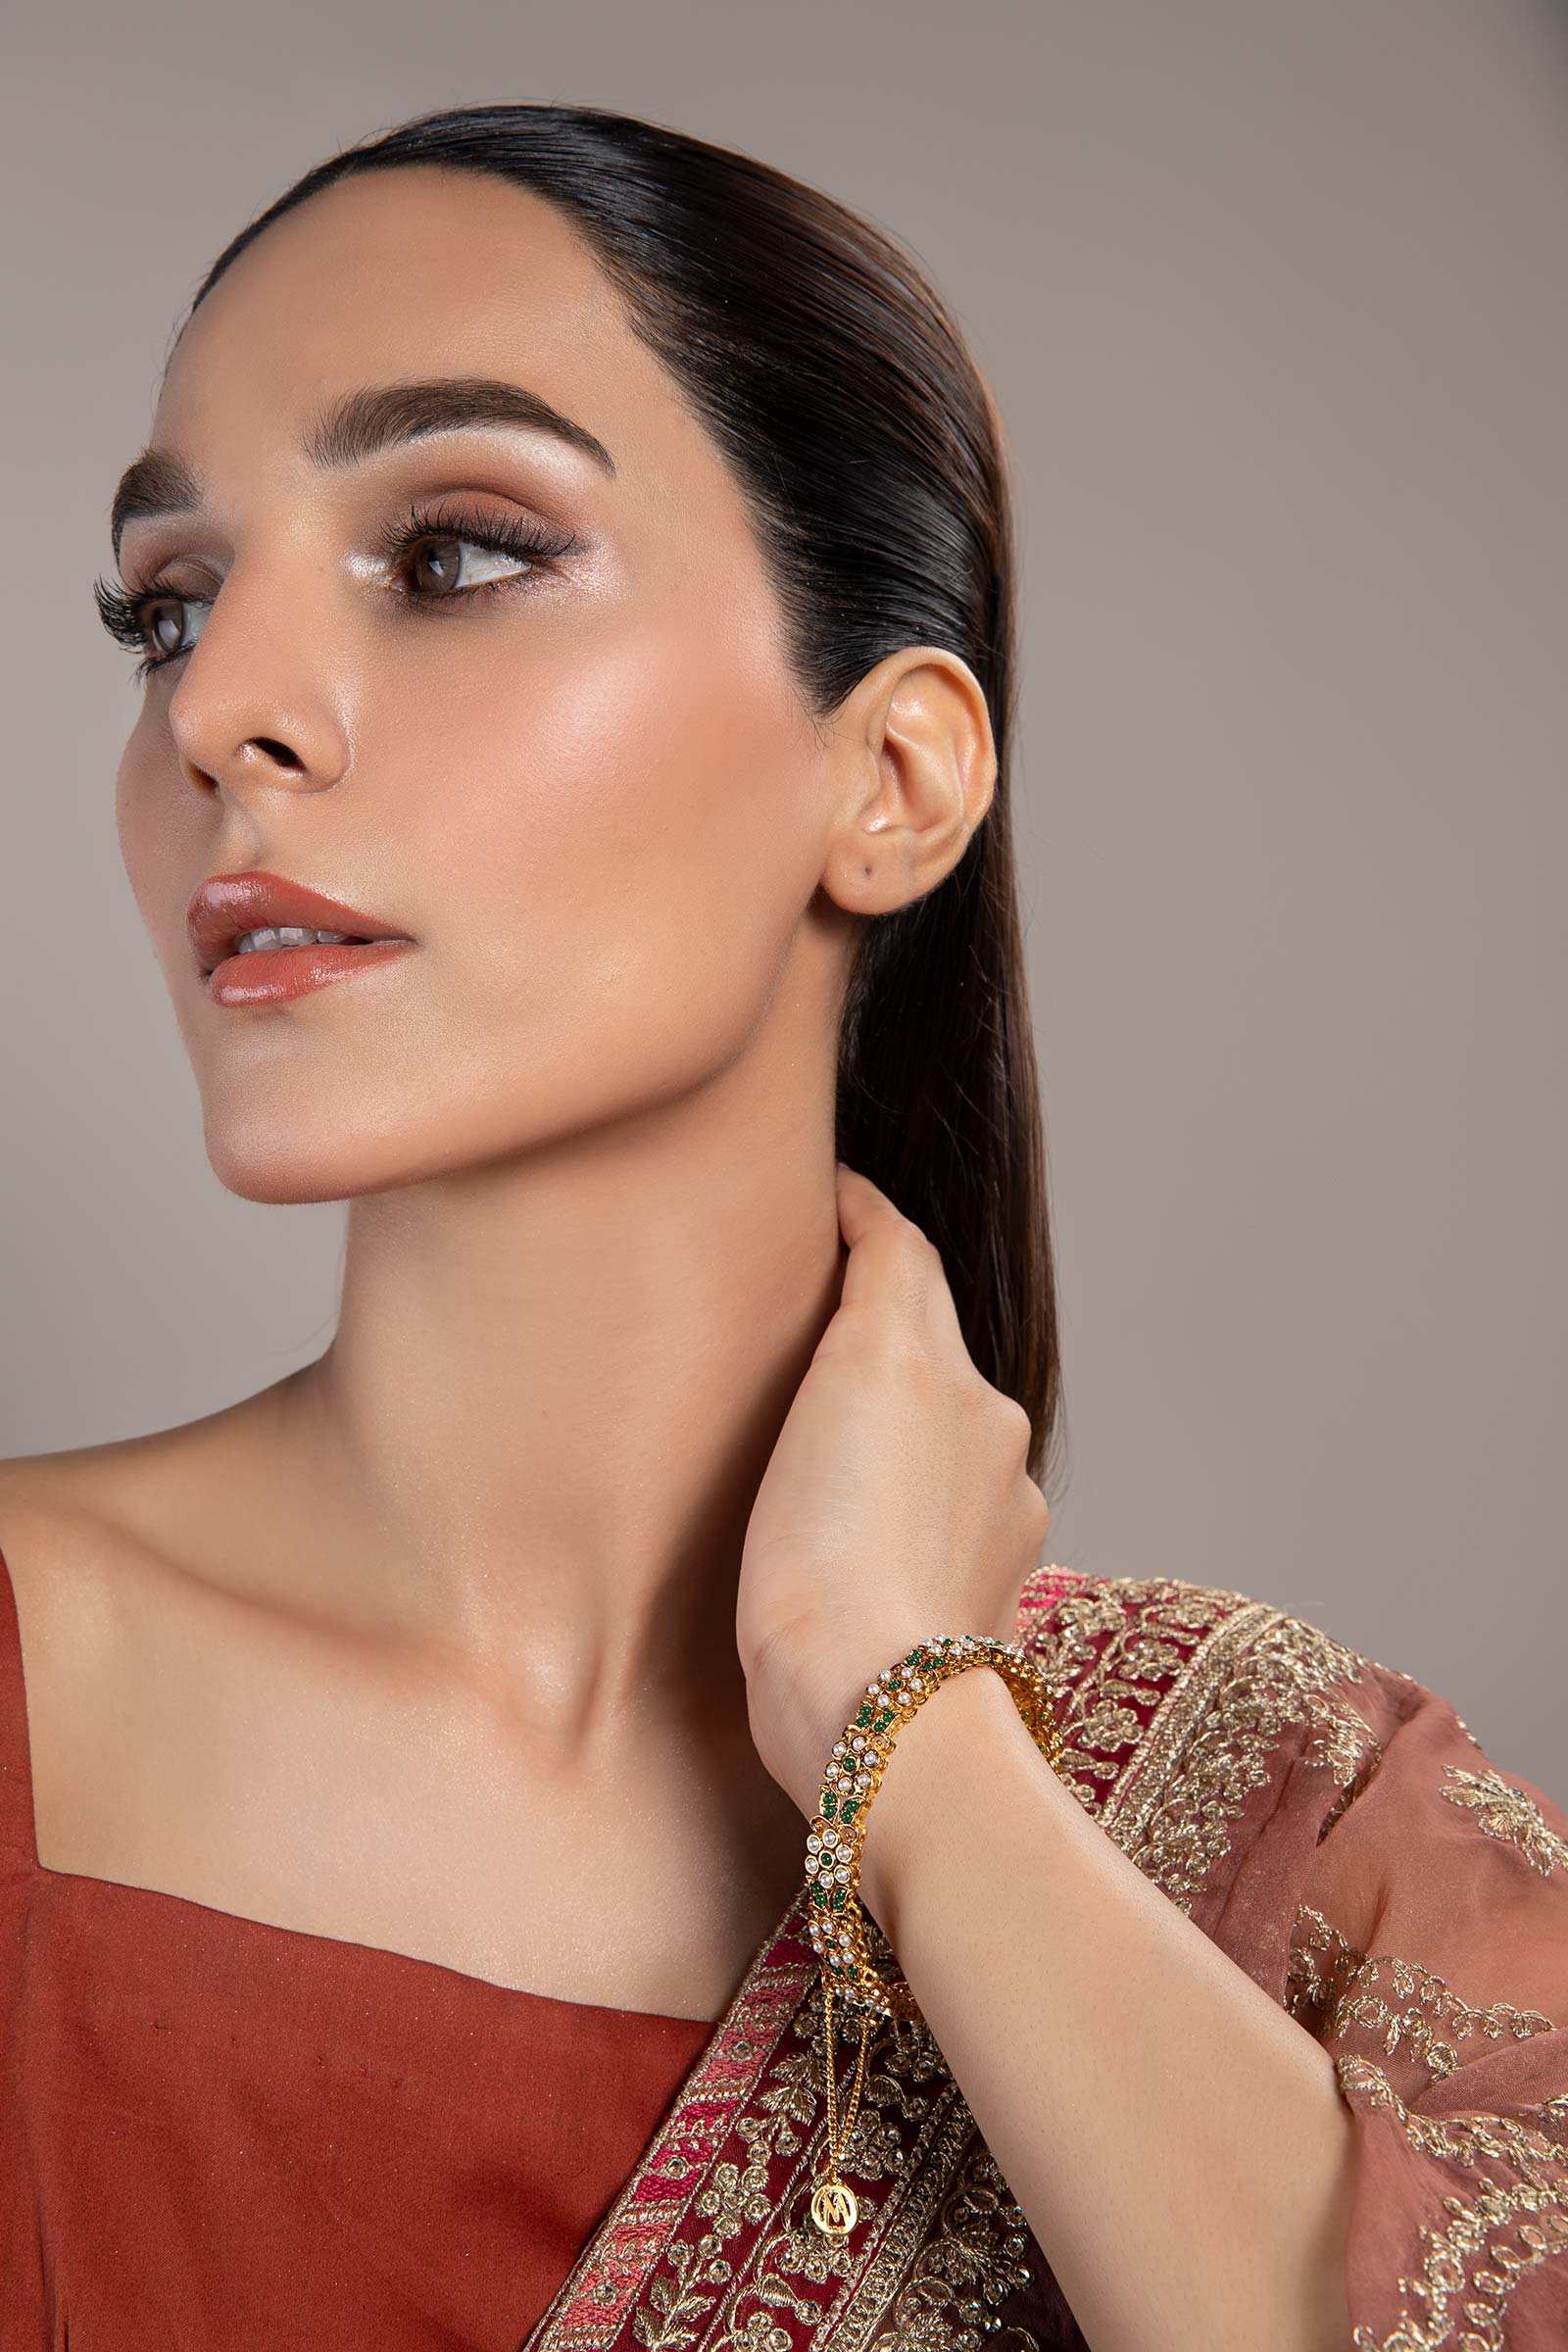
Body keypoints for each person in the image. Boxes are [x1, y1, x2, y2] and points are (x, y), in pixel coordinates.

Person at [0, 98, 1563, 2352]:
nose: (220, 712)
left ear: (891, 778)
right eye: (168, 607)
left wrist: (906, 1745)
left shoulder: (1289, 1827)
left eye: (451, 555)